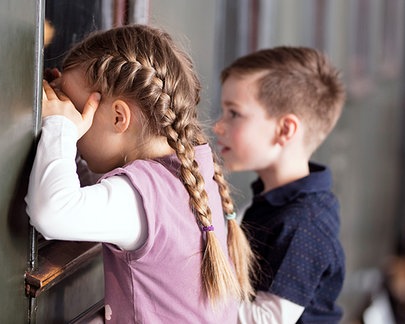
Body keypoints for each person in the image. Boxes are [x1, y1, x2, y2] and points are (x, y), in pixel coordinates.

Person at [26, 24, 254, 323]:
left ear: (119, 117)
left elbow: (51, 213)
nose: (75, 124)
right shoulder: (189, 171)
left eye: (76, 110)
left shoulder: (140, 194)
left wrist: (60, 128)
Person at [212, 46, 347, 323]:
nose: (218, 126)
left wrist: (183, 287)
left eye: (233, 113)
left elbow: (265, 319)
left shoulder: (305, 222)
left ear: (285, 130)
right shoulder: (271, 198)